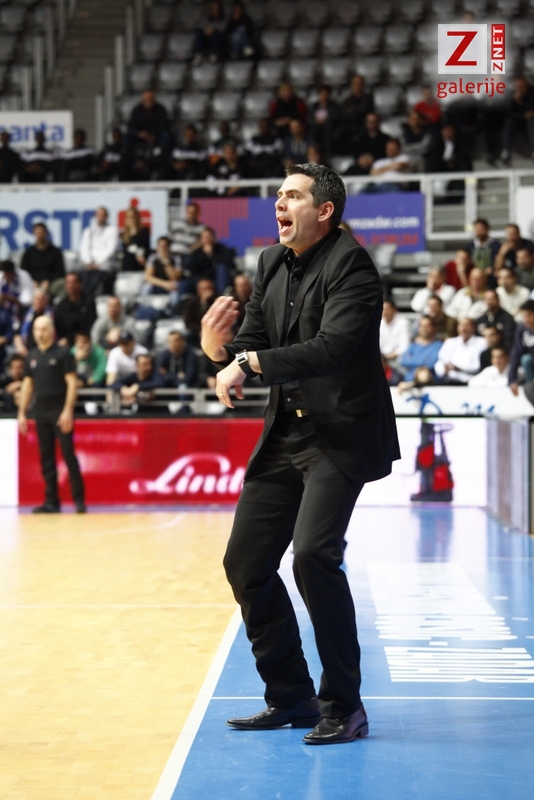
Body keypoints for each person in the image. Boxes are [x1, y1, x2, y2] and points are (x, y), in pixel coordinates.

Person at [200, 163, 399, 744]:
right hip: (286, 434)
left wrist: (246, 362)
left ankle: (345, 705)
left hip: (339, 435)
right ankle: (291, 696)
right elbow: (251, 344)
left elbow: (331, 349)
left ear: (325, 210)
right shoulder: (270, 262)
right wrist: (218, 351)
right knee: (246, 565)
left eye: (292, 196)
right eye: (278, 196)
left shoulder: (353, 265)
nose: (279, 204)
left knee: (313, 556)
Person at [17, 316, 85, 513]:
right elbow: (27, 385)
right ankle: (51, 501)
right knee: (46, 457)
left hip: (59, 409)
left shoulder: (63, 353)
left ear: (52, 330)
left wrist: (68, 410)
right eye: (37, 329)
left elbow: (72, 383)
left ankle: (78, 500)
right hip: (41, 410)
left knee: (68, 454)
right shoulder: (31, 356)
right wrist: (22, 413)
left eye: (43, 329)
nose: (40, 333)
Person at [79, 206, 119, 298]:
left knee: (97, 277)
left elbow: (111, 250)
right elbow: (84, 248)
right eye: (99, 214)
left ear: (107, 216)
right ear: (95, 216)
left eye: (103, 215)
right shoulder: (88, 230)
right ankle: (85, 298)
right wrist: (88, 262)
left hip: (105, 265)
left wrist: (98, 263)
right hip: (90, 265)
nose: (101, 217)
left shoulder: (112, 230)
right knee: (84, 276)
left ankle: (91, 298)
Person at [434, 317, 486, 384]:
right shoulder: (450, 342)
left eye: (467, 325)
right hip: (449, 382)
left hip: (471, 382)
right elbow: (440, 362)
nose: (463, 328)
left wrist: (460, 368)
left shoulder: (482, 342)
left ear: (474, 328)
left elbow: (478, 366)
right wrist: (443, 370)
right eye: (461, 325)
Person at [21, 222, 65, 298]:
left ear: (46, 233)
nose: (39, 235)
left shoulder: (55, 251)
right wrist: (32, 281)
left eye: (41, 232)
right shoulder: (29, 252)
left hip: (51, 283)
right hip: (32, 282)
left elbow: (60, 271)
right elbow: (23, 270)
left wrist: (49, 281)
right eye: (37, 233)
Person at [187, 228, 235, 295]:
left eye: (209, 237)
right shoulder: (196, 254)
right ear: (200, 240)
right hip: (201, 279)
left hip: (218, 278)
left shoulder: (221, 249)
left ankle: (223, 294)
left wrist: (211, 255)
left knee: (222, 267)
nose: (207, 240)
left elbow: (228, 261)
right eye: (205, 237)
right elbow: (193, 270)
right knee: (184, 284)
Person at [54, 273, 97, 346]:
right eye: (68, 283)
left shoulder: (89, 302)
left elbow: (92, 324)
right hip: (68, 342)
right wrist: (67, 339)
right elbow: (59, 328)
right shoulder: (61, 306)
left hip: (86, 340)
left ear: (80, 284)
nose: (71, 285)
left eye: (74, 282)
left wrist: (83, 338)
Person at [144, 236, 190, 302]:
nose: (162, 249)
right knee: (146, 286)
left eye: (165, 246)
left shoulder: (176, 258)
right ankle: (143, 305)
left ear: (169, 247)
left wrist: (167, 263)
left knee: (175, 288)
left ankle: (173, 307)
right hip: (158, 283)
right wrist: (164, 284)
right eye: (160, 246)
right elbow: (148, 277)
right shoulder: (153, 258)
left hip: (171, 284)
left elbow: (175, 277)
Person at [500, 76, 534, 164]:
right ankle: (506, 151)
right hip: (519, 120)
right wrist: (517, 100)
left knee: (531, 122)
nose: (520, 89)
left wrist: (527, 110)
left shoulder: (532, 93)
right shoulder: (513, 95)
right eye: (518, 87)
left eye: (522, 86)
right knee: (509, 123)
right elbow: (509, 112)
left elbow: (530, 108)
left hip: (530, 121)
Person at [399, 316, 442, 382]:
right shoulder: (412, 345)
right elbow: (403, 361)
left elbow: (431, 363)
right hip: (410, 380)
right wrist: (424, 360)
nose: (424, 328)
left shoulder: (438, 345)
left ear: (433, 328)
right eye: (422, 326)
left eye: (427, 326)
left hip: (431, 382)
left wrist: (412, 359)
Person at [13, 289, 54, 357]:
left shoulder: (52, 314)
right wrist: (21, 347)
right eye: (36, 299)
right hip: (27, 351)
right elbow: (17, 334)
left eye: (41, 299)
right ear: (32, 301)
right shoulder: (25, 313)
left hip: (49, 352)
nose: (39, 301)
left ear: (46, 301)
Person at [340, 75, 374, 149]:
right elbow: (344, 114)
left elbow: (363, 111)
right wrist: (355, 112)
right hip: (350, 125)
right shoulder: (347, 100)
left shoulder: (368, 99)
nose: (357, 86)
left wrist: (351, 111)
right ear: (351, 85)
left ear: (363, 85)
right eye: (355, 84)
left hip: (363, 125)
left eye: (359, 83)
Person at [508, 299, 534, 395]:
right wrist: (512, 379)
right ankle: (531, 389)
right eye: (524, 316)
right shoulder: (521, 329)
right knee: (525, 359)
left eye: (529, 315)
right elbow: (516, 353)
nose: (526, 319)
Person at [193, 0, 226, 65]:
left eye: (216, 9)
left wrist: (213, 30)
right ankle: (198, 55)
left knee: (216, 33)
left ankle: (213, 55)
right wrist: (205, 30)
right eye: (212, 9)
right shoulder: (207, 19)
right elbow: (200, 26)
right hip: (207, 40)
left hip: (219, 42)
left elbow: (223, 29)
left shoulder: (224, 20)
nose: (214, 11)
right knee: (200, 32)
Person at [379, 299, 410, 366]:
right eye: (383, 309)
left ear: (394, 309)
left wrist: (388, 357)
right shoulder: (380, 323)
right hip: (381, 358)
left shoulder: (403, 323)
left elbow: (405, 347)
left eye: (387, 309)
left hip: (398, 358)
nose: (385, 312)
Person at [120, 206, 150, 272]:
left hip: (139, 265)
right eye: (129, 217)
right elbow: (126, 248)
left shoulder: (143, 231)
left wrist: (140, 254)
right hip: (128, 265)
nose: (131, 219)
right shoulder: (124, 234)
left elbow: (146, 247)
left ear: (137, 217)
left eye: (133, 217)